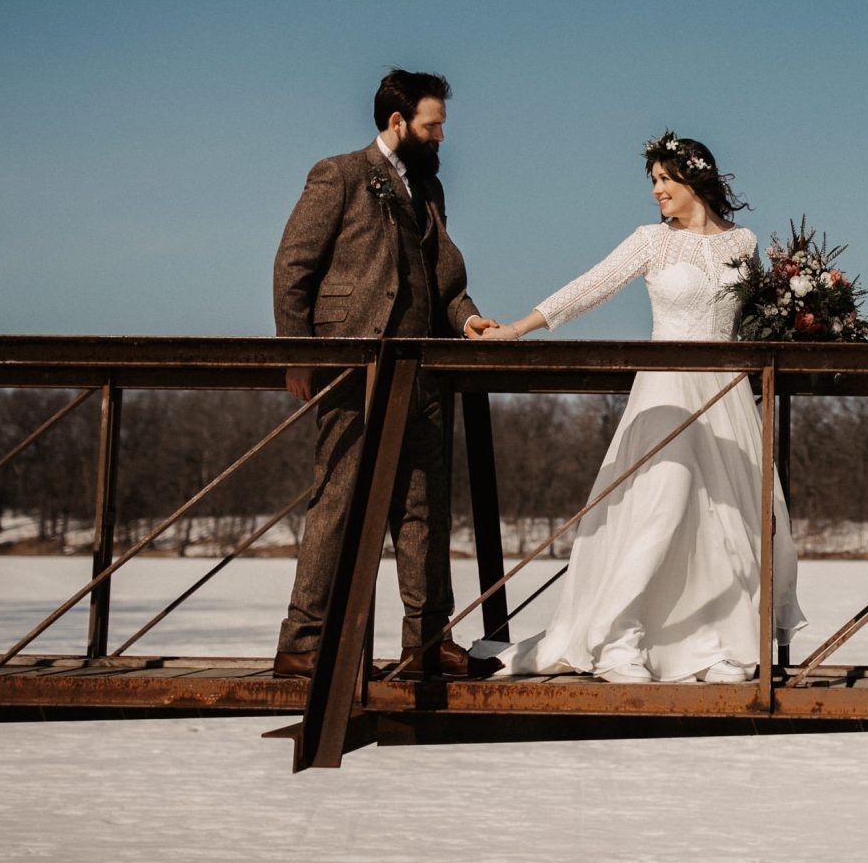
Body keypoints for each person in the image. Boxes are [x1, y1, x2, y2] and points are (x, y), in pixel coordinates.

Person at [475, 132, 803, 683]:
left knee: (727, 514)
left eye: (665, 179)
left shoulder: (743, 244)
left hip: (726, 395)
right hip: (665, 393)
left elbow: (758, 320)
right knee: (661, 503)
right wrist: (516, 328)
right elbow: (591, 286)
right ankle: (618, 638)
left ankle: (721, 642)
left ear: (694, 176)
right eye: (652, 181)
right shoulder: (651, 241)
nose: (657, 191)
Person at [270, 68, 502, 680]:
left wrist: (468, 319)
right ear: (398, 122)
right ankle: (305, 642)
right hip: (353, 369)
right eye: (433, 126)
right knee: (338, 501)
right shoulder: (338, 175)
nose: (441, 137)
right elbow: (294, 265)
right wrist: (300, 355)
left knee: (424, 509)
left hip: (421, 372)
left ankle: (427, 643)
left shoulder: (429, 191)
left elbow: (443, 278)